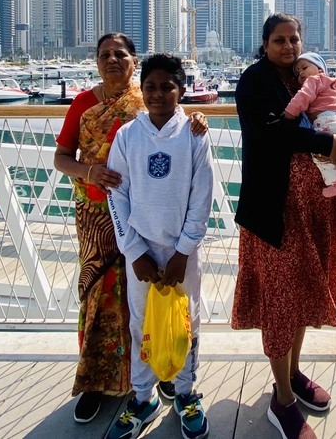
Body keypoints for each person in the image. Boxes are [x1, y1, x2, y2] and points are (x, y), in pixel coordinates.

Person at [53, 34, 207, 424]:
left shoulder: (174, 120)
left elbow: (198, 185)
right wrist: (133, 247)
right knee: (111, 306)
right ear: (95, 60)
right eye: (104, 54)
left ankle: (175, 380)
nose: (112, 60)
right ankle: (110, 387)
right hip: (105, 222)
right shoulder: (98, 114)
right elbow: (70, 162)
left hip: (171, 241)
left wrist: (183, 248)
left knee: (178, 314)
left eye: (120, 54)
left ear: (133, 61)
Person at [231, 14, 336, 439]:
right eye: (279, 40)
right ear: (265, 43)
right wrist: (326, 144)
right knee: (279, 302)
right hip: (275, 213)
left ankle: (294, 371)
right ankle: (282, 397)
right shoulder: (255, 81)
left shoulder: (313, 75)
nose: (288, 47)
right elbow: (269, 131)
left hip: (315, 210)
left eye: (294, 39)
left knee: (304, 292)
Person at [105, 53, 213, 439]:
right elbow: (116, 195)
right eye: (150, 86)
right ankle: (142, 397)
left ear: (181, 90)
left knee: (187, 324)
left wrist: (184, 251)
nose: (157, 93)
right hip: (142, 254)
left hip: (182, 255)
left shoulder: (195, 135)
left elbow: (202, 197)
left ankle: (185, 393)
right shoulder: (127, 136)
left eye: (167, 86)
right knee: (142, 324)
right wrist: (134, 252)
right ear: (141, 89)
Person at [282, 51, 336, 196]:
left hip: (326, 121)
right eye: (297, 72)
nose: (300, 73)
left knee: (319, 155)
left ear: (320, 69)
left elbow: (302, 98)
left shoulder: (313, 81)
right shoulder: (334, 82)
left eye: (304, 68)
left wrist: (289, 113)